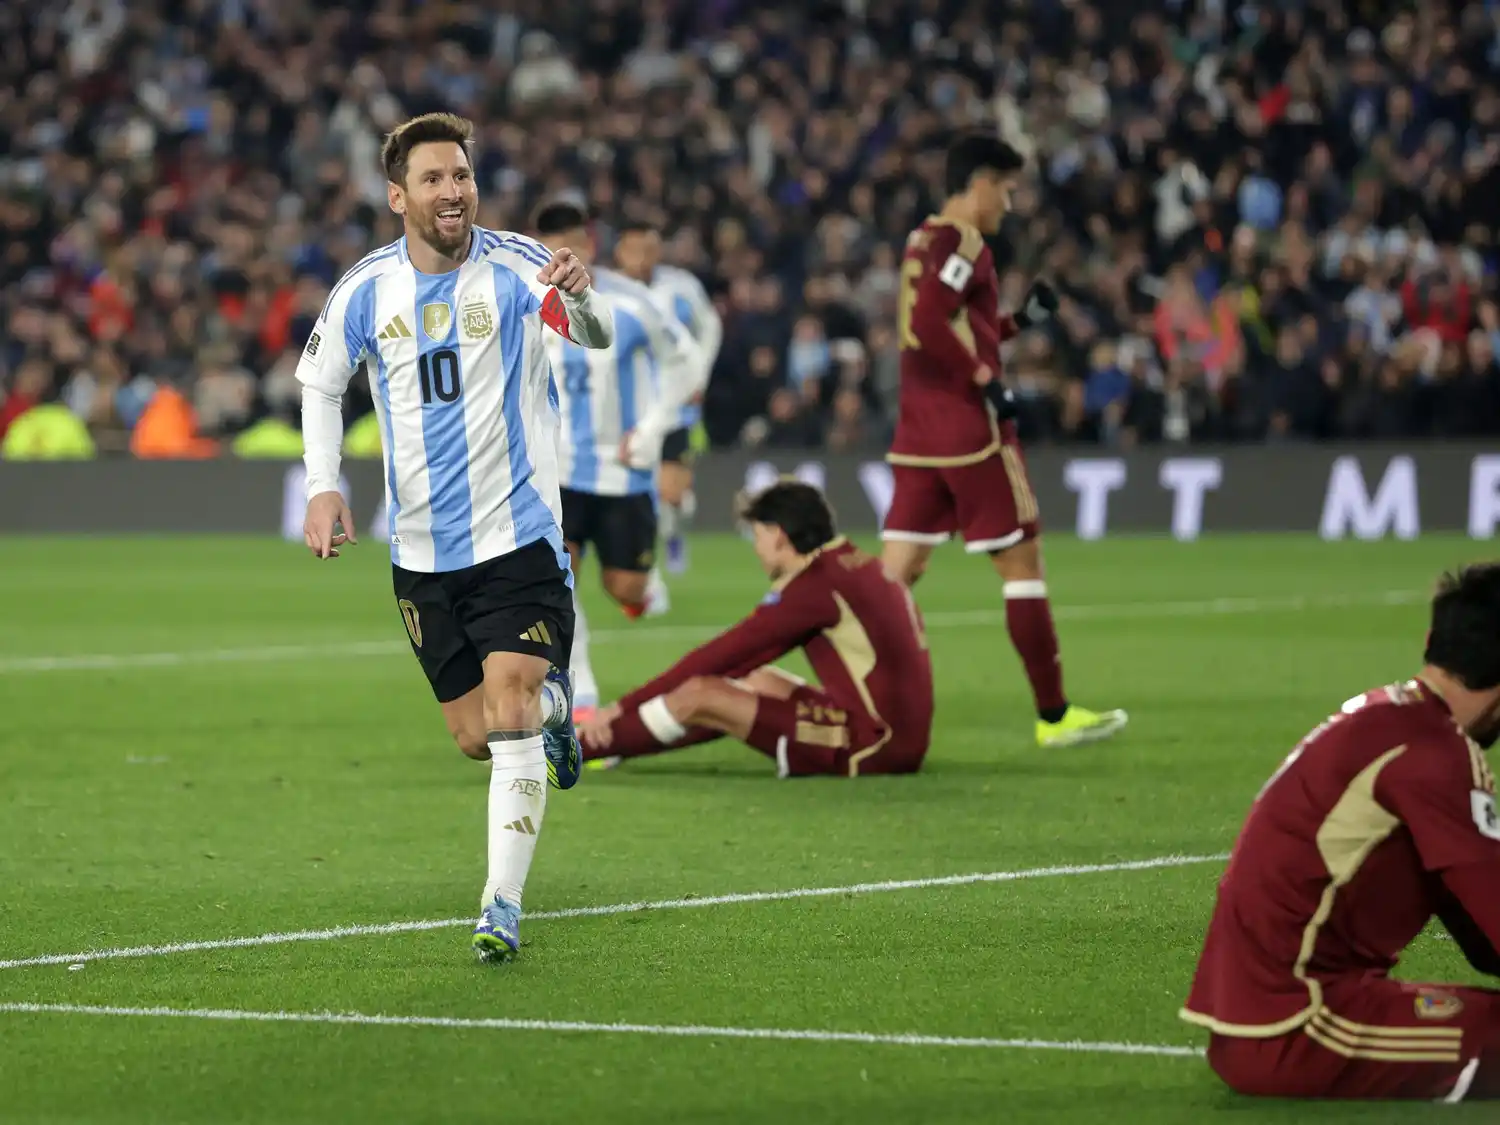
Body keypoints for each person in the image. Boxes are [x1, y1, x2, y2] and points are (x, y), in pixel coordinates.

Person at [295, 113, 615, 964]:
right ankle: (557, 713)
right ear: (398, 195)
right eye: (434, 179)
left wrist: (580, 296)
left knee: (505, 705)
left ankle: (500, 903)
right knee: (478, 733)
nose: (453, 192)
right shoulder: (366, 289)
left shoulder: (517, 266)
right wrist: (325, 484)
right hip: (422, 556)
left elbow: (594, 338)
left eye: (463, 176)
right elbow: (321, 384)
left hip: (518, 538)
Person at [1181, 562, 1500, 1103]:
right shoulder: (1437, 754)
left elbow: (1476, 922)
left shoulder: (1385, 719)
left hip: (1263, 1019)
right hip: (1304, 1026)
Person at [881, 132, 1127, 750]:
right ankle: (1054, 715)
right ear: (982, 182)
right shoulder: (965, 241)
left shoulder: (921, 239)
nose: (1010, 205)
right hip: (971, 434)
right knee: (1022, 563)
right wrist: (986, 380)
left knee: (894, 577)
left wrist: (1019, 322)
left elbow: (953, 324)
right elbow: (931, 323)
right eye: (1007, 190)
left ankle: (866, 703)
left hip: (917, 434)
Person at [578, 481, 934, 778]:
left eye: (758, 535)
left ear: (778, 535)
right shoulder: (855, 565)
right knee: (756, 682)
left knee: (703, 692)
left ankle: (579, 748)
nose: (757, 547)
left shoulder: (813, 588)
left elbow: (723, 655)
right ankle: (620, 744)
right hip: (902, 736)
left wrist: (621, 708)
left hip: (874, 745)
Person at [530, 203, 705, 721]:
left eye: (572, 244)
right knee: (557, 580)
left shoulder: (631, 302)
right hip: (555, 470)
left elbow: (687, 362)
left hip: (623, 470)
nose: (563, 256)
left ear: (589, 245)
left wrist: (653, 430)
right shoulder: (524, 296)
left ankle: (641, 589)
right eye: (552, 245)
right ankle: (579, 697)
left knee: (624, 586)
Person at [613, 221, 724, 614]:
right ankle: (652, 577)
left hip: (676, 406)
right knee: (645, 493)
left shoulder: (680, 286)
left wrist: (700, 376)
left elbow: (710, 326)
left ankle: (674, 535)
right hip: (630, 411)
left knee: (672, 495)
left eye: (649, 249)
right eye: (634, 249)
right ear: (620, 252)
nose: (642, 257)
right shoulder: (609, 292)